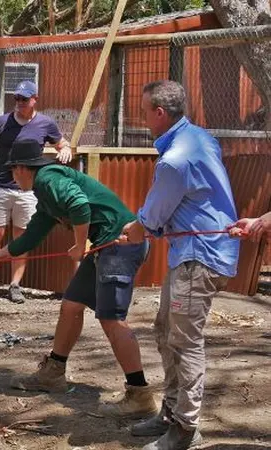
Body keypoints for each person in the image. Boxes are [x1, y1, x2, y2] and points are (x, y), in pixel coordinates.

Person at [0, 140, 156, 418]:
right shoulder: (46, 195)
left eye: (13, 171)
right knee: (71, 305)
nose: (13, 178)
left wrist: (78, 246)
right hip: (104, 246)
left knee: (111, 319)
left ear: (23, 169)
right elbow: (32, 235)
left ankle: (140, 395)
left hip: (118, 245)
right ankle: (53, 373)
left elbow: (79, 206)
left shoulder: (49, 179)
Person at [120, 80, 239, 450]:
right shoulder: (201, 137)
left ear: (159, 113)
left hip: (197, 256)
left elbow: (154, 215)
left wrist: (136, 229)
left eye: (143, 112)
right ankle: (171, 413)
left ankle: (185, 430)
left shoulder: (174, 160)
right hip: (192, 252)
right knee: (165, 330)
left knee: (185, 342)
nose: (141, 118)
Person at [0, 80, 73, 304]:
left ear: (35, 99)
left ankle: (15, 285)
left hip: (27, 191)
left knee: (22, 237)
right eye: (16, 98)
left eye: (24, 99)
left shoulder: (45, 123)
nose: (19, 103)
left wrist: (66, 149)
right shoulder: (2, 122)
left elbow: (62, 143)